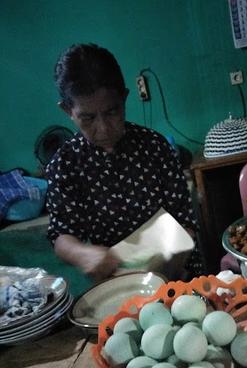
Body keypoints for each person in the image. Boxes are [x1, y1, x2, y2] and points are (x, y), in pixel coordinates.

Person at [45, 43, 203, 281]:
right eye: (87, 118)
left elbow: (184, 222)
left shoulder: (155, 147)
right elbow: (61, 235)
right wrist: (82, 253)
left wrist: (166, 265)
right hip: (117, 280)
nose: (103, 128)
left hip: (177, 273)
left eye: (112, 112)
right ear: (68, 110)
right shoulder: (66, 164)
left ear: (124, 98)